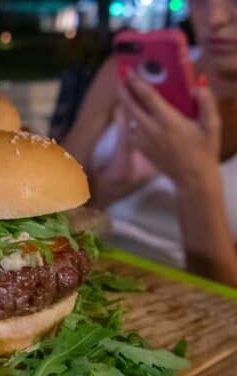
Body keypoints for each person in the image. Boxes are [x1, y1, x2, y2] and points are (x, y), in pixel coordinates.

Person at [63, 0, 237, 287]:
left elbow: (226, 309)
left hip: (186, 308)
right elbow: (50, 213)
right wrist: (107, 189)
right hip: (88, 271)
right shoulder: (122, 74)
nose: (215, 18)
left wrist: (195, 182)